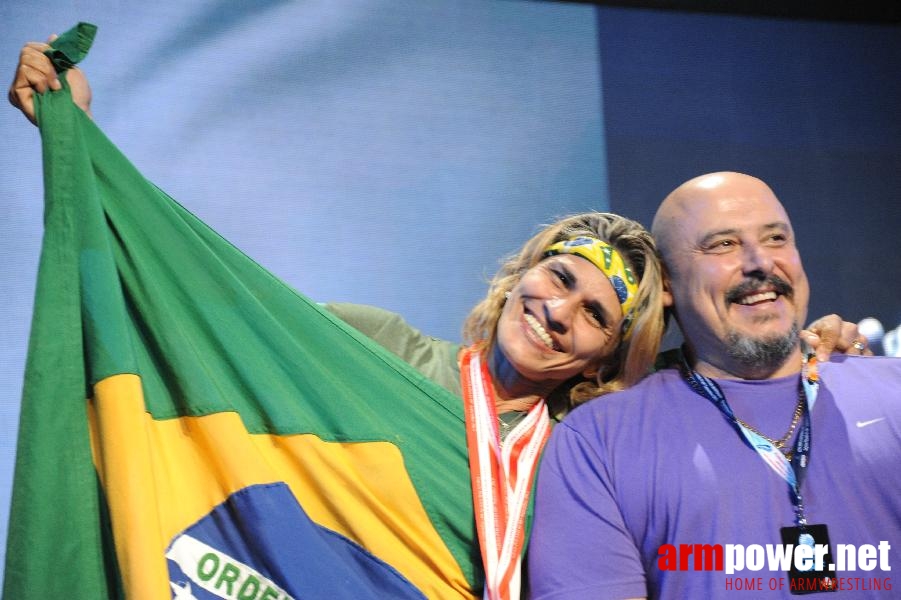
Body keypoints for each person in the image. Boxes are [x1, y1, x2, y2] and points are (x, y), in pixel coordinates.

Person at [9, 39, 870, 599]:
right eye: (556, 277)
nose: (558, 311)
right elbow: (196, 321)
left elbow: (736, 384)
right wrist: (85, 148)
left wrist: (811, 343)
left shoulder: (593, 447)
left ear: (604, 360)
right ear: (516, 276)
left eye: (594, 315)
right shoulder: (375, 344)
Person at [528, 171, 901, 599]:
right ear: (666, 284)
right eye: (723, 244)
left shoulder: (891, 392)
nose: (761, 263)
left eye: (776, 239)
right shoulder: (599, 441)